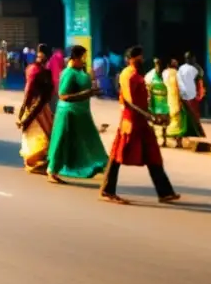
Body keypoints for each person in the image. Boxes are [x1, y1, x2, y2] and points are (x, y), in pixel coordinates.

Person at [100, 46, 180, 205]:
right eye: (139, 57)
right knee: (118, 155)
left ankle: (165, 192)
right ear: (132, 58)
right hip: (130, 121)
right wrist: (149, 116)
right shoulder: (127, 74)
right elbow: (129, 102)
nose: (142, 60)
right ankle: (107, 190)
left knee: (153, 155)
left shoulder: (137, 74)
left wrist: (151, 115)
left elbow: (142, 100)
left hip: (142, 121)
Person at [46, 45, 108, 184]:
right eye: (82, 58)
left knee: (87, 141)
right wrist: (87, 93)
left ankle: (94, 166)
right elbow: (63, 95)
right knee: (61, 142)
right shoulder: (69, 73)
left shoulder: (80, 71)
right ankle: (52, 170)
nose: (84, 60)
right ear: (75, 58)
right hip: (68, 113)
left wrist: (92, 91)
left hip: (81, 113)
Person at [16, 44, 54, 175]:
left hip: (38, 105)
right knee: (41, 135)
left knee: (39, 134)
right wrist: (23, 111)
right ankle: (35, 162)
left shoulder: (34, 69)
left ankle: (36, 162)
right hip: (37, 106)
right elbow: (30, 90)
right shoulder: (37, 71)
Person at [166, 57, 205, 145]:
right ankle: (177, 138)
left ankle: (175, 138)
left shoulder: (167, 73)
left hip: (173, 98)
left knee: (178, 118)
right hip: (178, 98)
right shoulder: (176, 73)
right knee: (182, 119)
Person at [144, 58, 170, 147]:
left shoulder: (167, 75)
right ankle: (154, 139)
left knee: (165, 123)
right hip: (155, 102)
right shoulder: (150, 75)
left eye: (160, 65)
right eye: (157, 65)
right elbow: (147, 88)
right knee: (154, 122)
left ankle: (164, 139)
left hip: (165, 102)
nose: (159, 67)